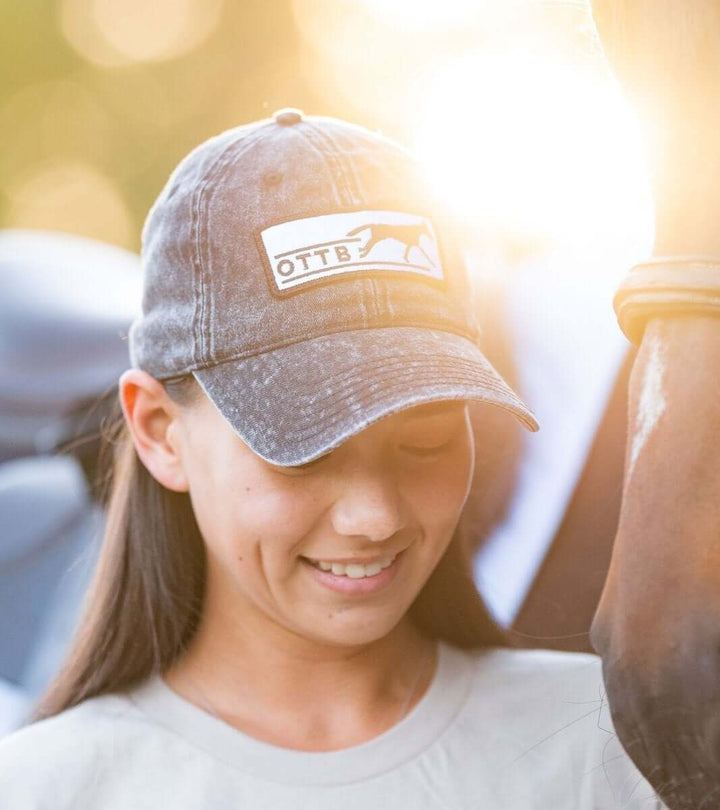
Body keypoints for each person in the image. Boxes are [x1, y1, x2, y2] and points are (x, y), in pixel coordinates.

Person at [0, 110, 662, 808]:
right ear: (160, 432)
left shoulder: (614, 749)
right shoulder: (50, 789)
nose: (375, 515)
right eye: (303, 451)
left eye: (427, 440)